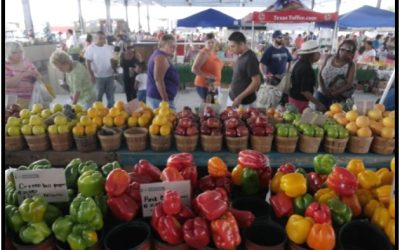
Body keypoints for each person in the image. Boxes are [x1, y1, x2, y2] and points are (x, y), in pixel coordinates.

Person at [317, 39, 357, 107]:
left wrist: (333, 94)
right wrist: (323, 89)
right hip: (321, 93)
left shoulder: (351, 65)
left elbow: (349, 84)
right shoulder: (329, 57)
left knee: (335, 116)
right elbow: (320, 74)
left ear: (351, 53)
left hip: (337, 97)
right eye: (342, 49)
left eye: (348, 51)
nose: (344, 52)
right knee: (318, 115)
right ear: (339, 48)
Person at [289, 40, 325, 112]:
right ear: (312, 55)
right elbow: (305, 92)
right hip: (300, 102)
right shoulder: (306, 69)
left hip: (293, 98)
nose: (320, 55)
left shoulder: (299, 63)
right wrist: (319, 104)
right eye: (318, 53)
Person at [227, 31, 261, 108]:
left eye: (233, 46)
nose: (231, 49)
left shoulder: (250, 58)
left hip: (243, 103)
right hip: (234, 97)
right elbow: (243, 74)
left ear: (242, 44)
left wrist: (240, 97)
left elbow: (256, 82)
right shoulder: (241, 55)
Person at [146, 34, 179, 109]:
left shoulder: (160, 54)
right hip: (159, 98)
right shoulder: (161, 57)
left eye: (175, 46)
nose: (174, 48)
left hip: (158, 96)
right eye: (171, 46)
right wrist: (165, 100)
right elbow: (158, 80)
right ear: (163, 45)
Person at [5, 41, 42, 108]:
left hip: (31, 99)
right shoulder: (6, 66)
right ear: (7, 53)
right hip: (13, 102)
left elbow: (39, 76)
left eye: (20, 51)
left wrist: (35, 75)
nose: (19, 54)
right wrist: (23, 74)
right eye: (14, 52)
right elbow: (7, 84)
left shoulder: (26, 61)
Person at [84, 31, 115, 108]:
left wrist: (115, 70)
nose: (102, 40)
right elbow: (87, 62)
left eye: (104, 38)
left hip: (110, 76)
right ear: (96, 38)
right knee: (98, 97)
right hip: (97, 77)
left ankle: (111, 112)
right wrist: (91, 75)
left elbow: (113, 60)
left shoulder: (109, 48)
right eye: (100, 38)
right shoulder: (91, 48)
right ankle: (98, 114)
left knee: (111, 97)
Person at [191, 33, 223, 102]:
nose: (211, 44)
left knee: (214, 107)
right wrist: (208, 76)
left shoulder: (212, 52)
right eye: (209, 42)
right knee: (209, 108)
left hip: (214, 85)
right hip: (205, 85)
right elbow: (194, 69)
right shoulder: (203, 53)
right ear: (205, 43)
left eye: (212, 42)